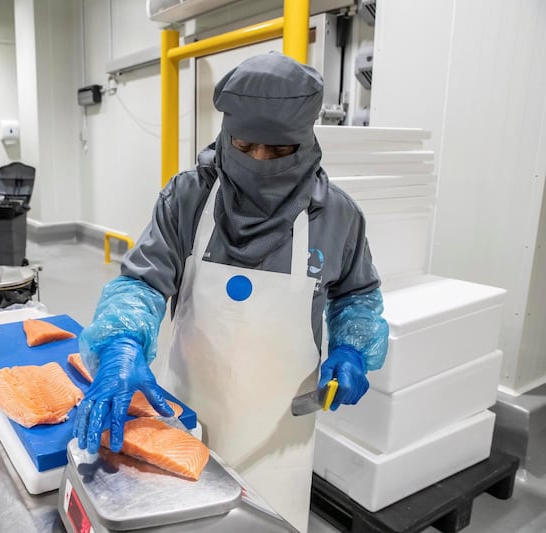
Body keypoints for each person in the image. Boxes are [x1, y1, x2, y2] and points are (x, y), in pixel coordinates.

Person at [72, 51, 389, 532]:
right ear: (225, 133)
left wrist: (351, 348)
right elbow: (141, 282)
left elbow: (357, 296)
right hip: (186, 418)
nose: (260, 162)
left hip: (281, 436)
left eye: (279, 152)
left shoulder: (338, 216)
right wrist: (120, 344)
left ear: (305, 142)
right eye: (244, 145)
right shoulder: (188, 197)